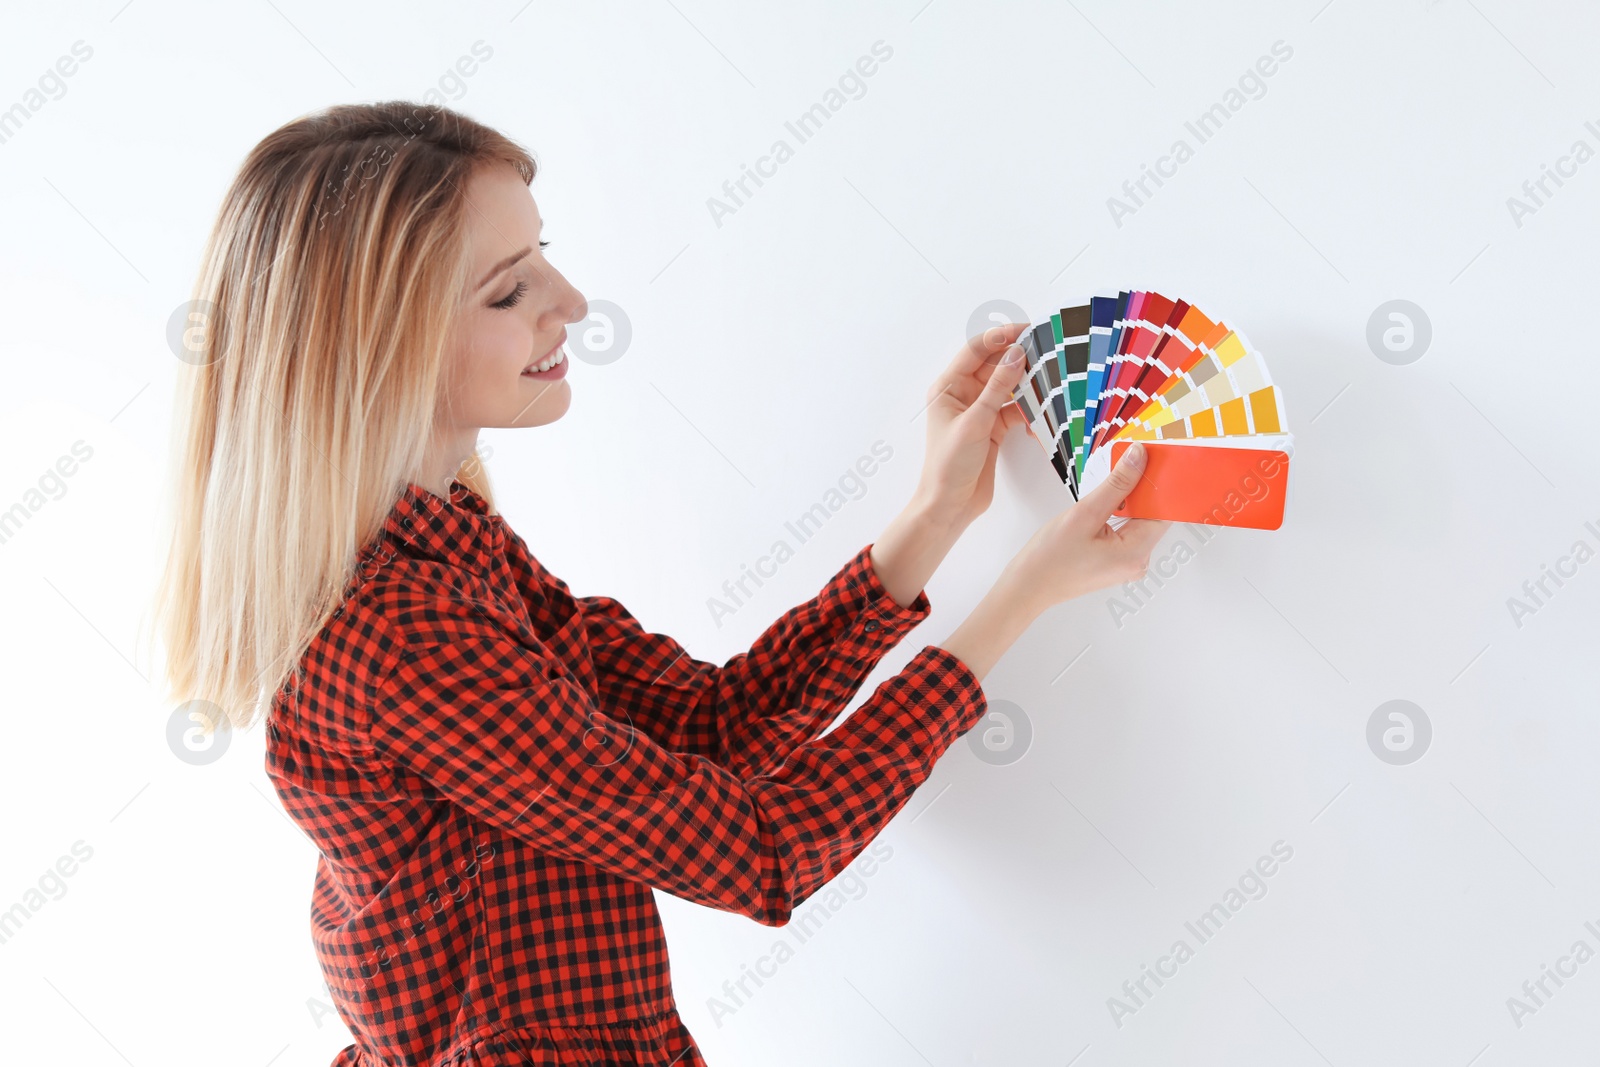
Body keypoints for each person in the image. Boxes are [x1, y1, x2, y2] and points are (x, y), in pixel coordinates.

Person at [150, 101, 1170, 1067]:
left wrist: (936, 514)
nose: (572, 304)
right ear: (373, 344)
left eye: (544, 254)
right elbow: (763, 854)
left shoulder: (449, 550)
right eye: (507, 290)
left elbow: (716, 726)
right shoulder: (402, 637)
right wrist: (1021, 595)